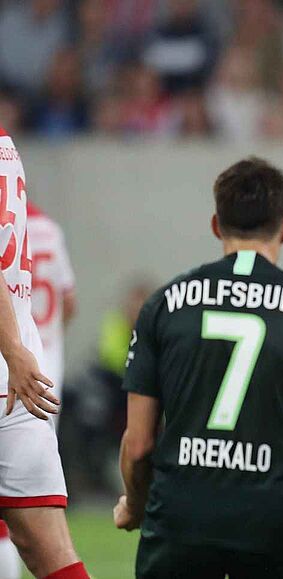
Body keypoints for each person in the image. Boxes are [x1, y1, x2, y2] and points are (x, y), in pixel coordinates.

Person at [114, 157, 283, 578]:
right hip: (275, 523)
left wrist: (134, 505)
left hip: (180, 520)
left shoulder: (164, 305)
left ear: (216, 225)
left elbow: (138, 445)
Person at [0, 126, 88, 579]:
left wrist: (12, 349)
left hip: (17, 358)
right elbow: (67, 302)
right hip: (28, 376)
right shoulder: (7, 147)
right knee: (50, 550)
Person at [26, 202, 76, 416]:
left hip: (12, 355)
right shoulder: (51, 231)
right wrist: (54, 337)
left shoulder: (10, 226)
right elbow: (69, 301)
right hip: (48, 355)